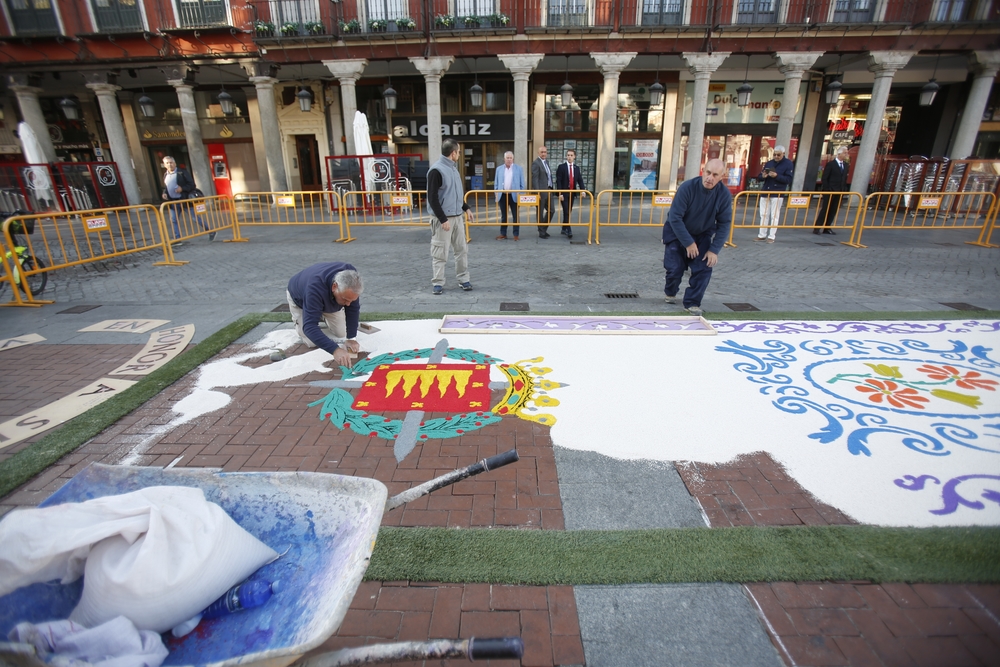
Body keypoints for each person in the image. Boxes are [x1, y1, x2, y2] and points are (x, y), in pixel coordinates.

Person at [662, 159, 732, 316]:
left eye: (715, 175)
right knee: (675, 269)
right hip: (676, 232)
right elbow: (675, 218)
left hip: (702, 234)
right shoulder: (687, 188)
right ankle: (670, 291)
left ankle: (692, 303)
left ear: (722, 176)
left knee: (704, 268)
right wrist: (688, 243)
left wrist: (714, 250)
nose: (710, 178)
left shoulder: (724, 195)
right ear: (703, 171)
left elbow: (724, 223)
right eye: (708, 173)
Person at [286, 262, 362, 369]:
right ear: (334, 287)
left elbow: (353, 309)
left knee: (341, 333)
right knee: (311, 340)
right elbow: (309, 327)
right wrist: (335, 350)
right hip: (301, 300)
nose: (348, 304)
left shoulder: (352, 280)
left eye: (351, 300)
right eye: (345, 299)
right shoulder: (314, 288)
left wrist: (351, 338)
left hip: (329, 299)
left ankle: (320, 315)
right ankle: (309, 316)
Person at [427, 138, 474, 294]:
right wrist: (443, 219)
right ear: (453, 153)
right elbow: (432, 198)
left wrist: (466, 208)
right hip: (443, 220)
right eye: (459, 151)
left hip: (457, 217)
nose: (460, 154)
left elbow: (455, 195)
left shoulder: (453, 169)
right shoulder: (436, 170)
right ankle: (438, 283)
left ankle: (463, 279)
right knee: (440, 252)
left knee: (461, 250)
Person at [161, 156, 214, 243]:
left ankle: (211, 231)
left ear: (175, 163)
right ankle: (177, 239)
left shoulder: (182, 173)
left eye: (171, 162)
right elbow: (166, 187)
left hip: (185, 200)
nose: (170, 165)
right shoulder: (165, 175)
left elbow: (192, 185)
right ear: (164, 165)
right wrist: (165, 193)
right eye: (167, 163)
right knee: (173, 220)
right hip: (173, 202)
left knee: (195, 218)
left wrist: (182, 189)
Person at [755, 145, 793, 243]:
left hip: (777, 192)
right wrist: (763, 176)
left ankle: (771, 236)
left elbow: (788, 179)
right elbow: (760, 176)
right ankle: (762, 235)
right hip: (766, 191)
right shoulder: (769, 163)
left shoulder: (788, 164)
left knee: (774, 215)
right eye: (774, 154)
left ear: (783, 154)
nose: (776, 156)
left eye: (778, 155)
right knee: (763, 214)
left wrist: (776, 176)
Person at [815, 146, 850, 235]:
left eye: (847, 153)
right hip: (830, 190)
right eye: (845, 153)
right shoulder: (831, 164)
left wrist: (844, 189)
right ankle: (817, 227)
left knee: (833, 210)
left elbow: (844, 178)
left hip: (839, 191)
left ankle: (827, 227)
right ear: (839, 154)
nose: (846, 154)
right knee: (825, 209)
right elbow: (825, 177)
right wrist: (827, 189)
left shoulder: (845, 165)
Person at [493, 151, 525, 240]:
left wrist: (521, 195)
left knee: (516, 215)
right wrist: (496, 193)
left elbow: (522, 184)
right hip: (502, 195)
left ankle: (516, 234)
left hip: (514, 195)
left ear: (513, 159)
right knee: (504, 215)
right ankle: (503, 233)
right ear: (504, 159)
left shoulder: (519, 169)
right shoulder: (499, 169)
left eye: (511, 158)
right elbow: (496, 183)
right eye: (508, 158)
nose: (509, 160)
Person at [556, 148, 585, 239]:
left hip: (572, 193)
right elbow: (559, 181)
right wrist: (560, 193)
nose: (569, 157)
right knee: (566, 211)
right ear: (566, 156)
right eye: (568, 155)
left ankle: (564, 228)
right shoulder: (561, 167)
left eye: (571, 155)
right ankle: (569, 229)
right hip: (564, 193)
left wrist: (582, 190)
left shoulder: (576, 168)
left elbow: (580, 180)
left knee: (569, 211)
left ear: (574, 157)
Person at [530, 145, 554, 238]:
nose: (544, 154)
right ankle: (541, 231)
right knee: (540, 212)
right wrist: (537, 192)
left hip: (549, 190)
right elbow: (535, 179)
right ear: (538, 153)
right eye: (542, 152)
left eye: (545, 152)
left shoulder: (546, 162)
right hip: (541, 191)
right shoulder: (536, 163)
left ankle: (543, 228)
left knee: (552, 210)